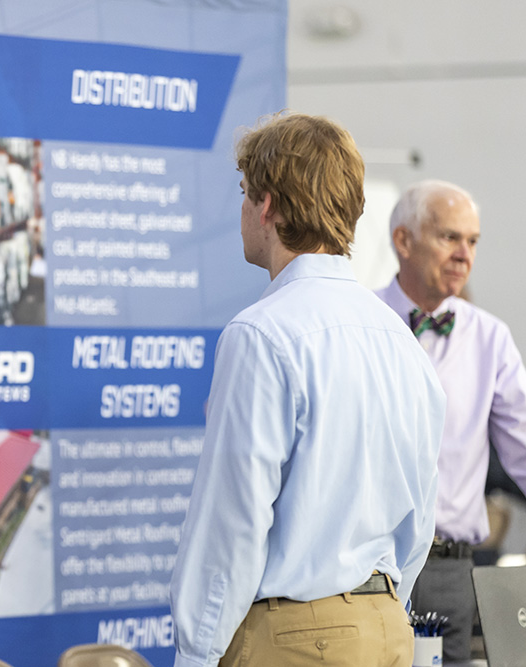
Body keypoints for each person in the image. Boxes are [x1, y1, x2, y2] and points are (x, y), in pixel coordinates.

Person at [170, 112, 446, 667]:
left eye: (246, 193)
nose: (243, 210)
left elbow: (233, 523)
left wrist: (196, 655)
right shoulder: (400, 338)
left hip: (296, 637)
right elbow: (421, 517)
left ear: (267, 204)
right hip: (388, 627)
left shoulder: (261, 335)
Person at [375, 179, 526, 661]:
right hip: (368, 573)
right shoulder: (362, 324)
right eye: (449, 237)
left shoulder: (489, 338)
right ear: (403, 241)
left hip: (448, 572)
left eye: (472, 241)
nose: (464, 254)